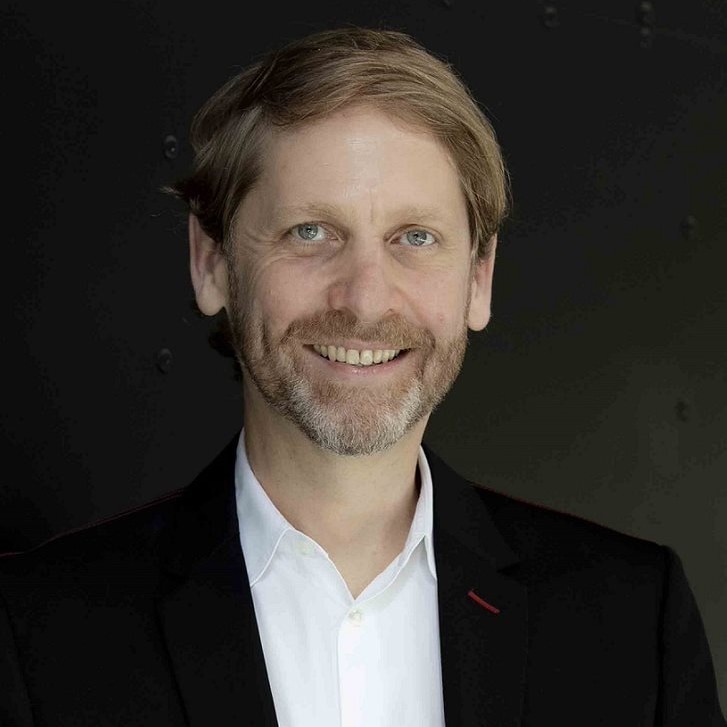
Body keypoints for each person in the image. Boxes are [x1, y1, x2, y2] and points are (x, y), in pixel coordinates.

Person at [0, 26, 724, 727]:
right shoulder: (37, 633)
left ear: (479, 278)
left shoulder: (632, 625)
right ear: (211, 261)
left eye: (415, 238)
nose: (365, 299)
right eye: (310, 232)